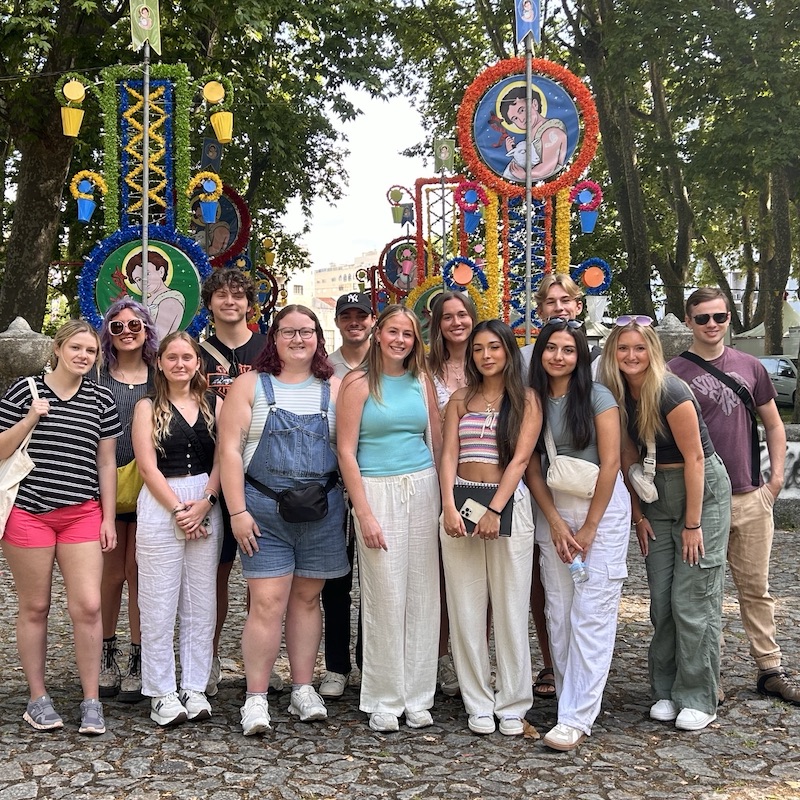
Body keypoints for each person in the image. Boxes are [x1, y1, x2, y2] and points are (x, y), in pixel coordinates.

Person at [218, 305, 349, 735]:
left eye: (306, 332)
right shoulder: (250, 385)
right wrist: (237, 511)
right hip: (263, 513)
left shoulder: (336, 386)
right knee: (268, 602)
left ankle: (302, 688)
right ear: (273, 338)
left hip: (322, 511)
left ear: (318, 338)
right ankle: (256, 697)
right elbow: (230, 452)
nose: (298, 339)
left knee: (307, 601)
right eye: (288, 332)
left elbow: (348, 449)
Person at [669, 288, 799, 705]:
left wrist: (775, 479)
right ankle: (709, 674)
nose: (712, 325)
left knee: (755, 587)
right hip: (702, 498)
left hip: (748, 494)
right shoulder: (673, 373)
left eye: (720, 317)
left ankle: (769, 667)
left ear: (729, 319)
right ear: (688, 321)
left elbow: (774, 424)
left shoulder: (750, 367)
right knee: (705, 590)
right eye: (703, 318)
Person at [600, 316, 731, 731]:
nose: (631, 356)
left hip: (698, 494)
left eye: (639, 348)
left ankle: (699, 695)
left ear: (652, 351)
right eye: (623, 348)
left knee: (692, 598)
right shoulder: (616, 393)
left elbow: (694, 459)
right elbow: (624, 457)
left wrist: (693, 524)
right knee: (661, 598)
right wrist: (638, 514)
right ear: (613, 353)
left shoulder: (670, 390)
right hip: (655, 495)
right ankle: (667, 689)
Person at [0, 320, 121, 735]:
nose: (83, 356)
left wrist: (107, 516)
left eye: (91, 350)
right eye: (76, 347)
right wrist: (31, 418)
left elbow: (106, 462)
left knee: (88, 606)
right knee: (35, 607)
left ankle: (91, 700)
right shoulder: (24, 390)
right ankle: (37, 698)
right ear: (58, 347)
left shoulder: (101, 400)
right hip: (29, 513)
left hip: (81, 514)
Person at [526, 319, 630, 750]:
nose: (558, 357)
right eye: (551, 348)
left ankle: (577, 716)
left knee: (592, 613)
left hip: (600, 510)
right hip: (553, 508)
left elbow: (611, 464)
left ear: (580, 355)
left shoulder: (598, 397)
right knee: (559, 611)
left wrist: (588, 528)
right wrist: (553, 520)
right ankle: (571, 701)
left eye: (568, 350)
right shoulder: (531, 399)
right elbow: (531, 465)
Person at [337, 305, 442, 733]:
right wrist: (364, 512)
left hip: (423, 485)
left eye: (409, 334)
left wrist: (445, 500)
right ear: (379, 335)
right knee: (383, 593)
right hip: (376, 490)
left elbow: (435, 439)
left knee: (423, 593)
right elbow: (345, 450)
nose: (400, 339)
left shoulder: (423, 381)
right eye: (393, 331)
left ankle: (418, 694)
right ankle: (383, 695)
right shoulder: (357, 382)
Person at [439, 320, 540, 736]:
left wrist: (494, 509)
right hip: (461, 497)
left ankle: (514, 702)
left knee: (512, 605)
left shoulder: (527, 399)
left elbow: (520, 460)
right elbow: (448, 454)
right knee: (465, 607)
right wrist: (447, 504)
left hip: (506, 502)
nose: (486, 355)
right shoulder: (461, 399)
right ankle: (477, 700)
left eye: (494, 347)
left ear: (508, 351)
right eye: (478, 348)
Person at [132, 332, 223, 727]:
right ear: (161, 363)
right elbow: (146, 466)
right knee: (158, 601)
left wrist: (205, 503)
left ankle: (195, 686)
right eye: (173, 357)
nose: (181, 364)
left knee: (201, 603)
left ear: (197, 363)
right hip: (161, 503)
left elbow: (225, 457)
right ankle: (162, 691)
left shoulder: (214, 404)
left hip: (205, 497)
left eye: (188, 357)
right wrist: (178, 510)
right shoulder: (147, 406)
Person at [198, 269, 272, 697]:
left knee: (266, 577)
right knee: (217, 573)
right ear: (209, 303)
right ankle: (206, 658)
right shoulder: (195, 352)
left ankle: (259, 663)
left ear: (249, 304)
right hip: (209, 469)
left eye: (238, 295)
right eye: (222, 295)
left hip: (261, 473)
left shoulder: (268, 349)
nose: (230, 302)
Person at [520, 272, 588, 701]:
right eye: (551, 301)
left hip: (588, 483)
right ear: (540, 309)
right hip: (535, 479)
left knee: (589, 583)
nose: (559, 307)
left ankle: (586, 669)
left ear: (578, 306)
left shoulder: (598, 356)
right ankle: (552, 662)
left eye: (567, 300)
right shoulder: (527, 356)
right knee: (543, 581)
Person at [96, 299, 157, 703]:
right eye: (117, 327)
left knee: (140, 575)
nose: (127, 331)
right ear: (108, 335)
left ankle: (139, 655)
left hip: (151, 489)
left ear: (147, 329)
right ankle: (104, 651)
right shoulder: (97, 376)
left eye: (134, 324)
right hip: (102, 487)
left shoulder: (160, 376)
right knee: (109, 575)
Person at [318, 292, 375, 700]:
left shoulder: (389, 363)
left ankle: (371, 660)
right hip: (334, 485)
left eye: (362, 315)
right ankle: (337, 666)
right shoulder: (325, 368)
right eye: (347, 316)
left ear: (372, 320)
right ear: (338, 322)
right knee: (335, 580)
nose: (354, 322)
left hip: (377, 482)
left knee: (376, 579)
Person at [427, 291, 478, 698]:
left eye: (463, 315)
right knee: (442, 573)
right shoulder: (426, 369)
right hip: (436, 477)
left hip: (483, 478)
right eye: (448, 317)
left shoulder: (489, 362)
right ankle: (442, 656)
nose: (457, 322)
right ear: (438, 325)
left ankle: (475, 656)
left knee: (483, 573)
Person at [499, 86, 567, 182]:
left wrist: (525, 175)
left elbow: (548, 166)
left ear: (534, 104)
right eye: (515, 119)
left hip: (553, 184)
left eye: (522, 110)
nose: (521, 119)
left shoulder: (551, 132)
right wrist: (514, 152)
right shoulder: (530, 138)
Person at [125, 250, 185, 340]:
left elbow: (158, 337)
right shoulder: (147, 300)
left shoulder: (170, 300)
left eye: (147, 274)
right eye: (138, 279)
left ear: (161, 271)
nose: (144, 281)